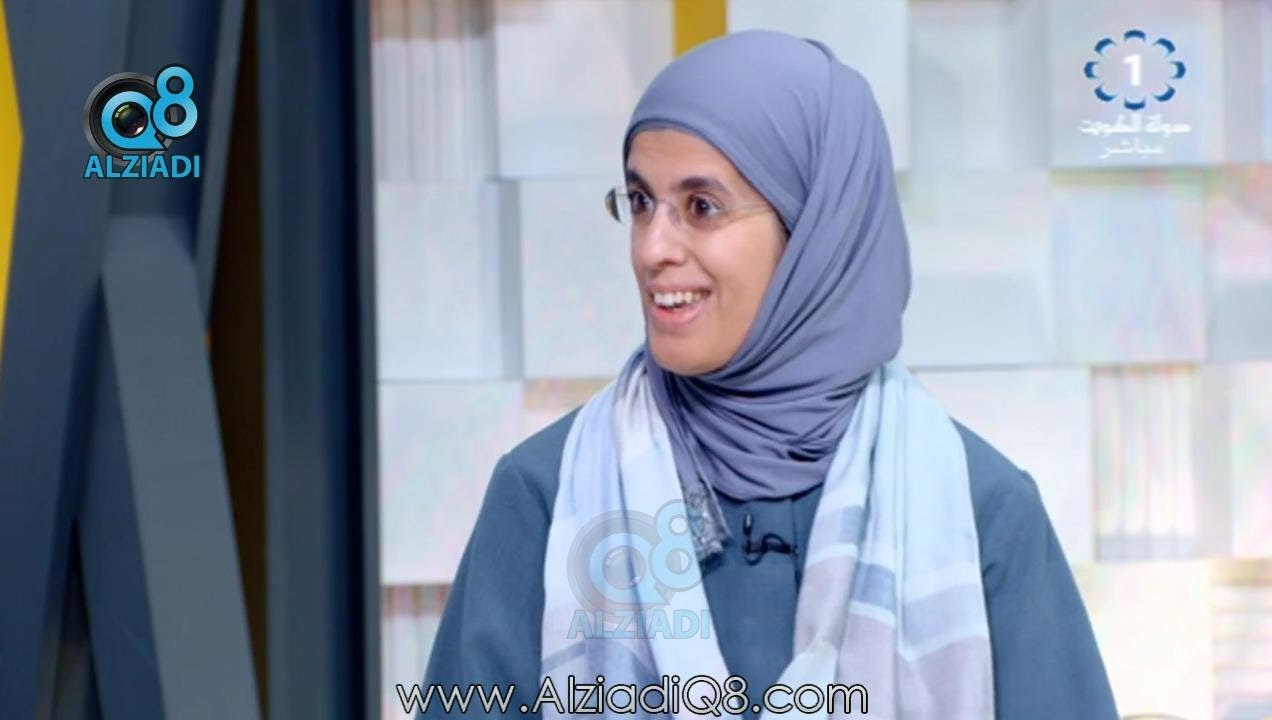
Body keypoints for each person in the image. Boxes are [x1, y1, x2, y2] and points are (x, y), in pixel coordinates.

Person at [423, 30, 1118, 719]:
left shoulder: (980, 511)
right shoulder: (544, 495)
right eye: (639, 202)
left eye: (701, 207)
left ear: (815, 230)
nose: (652, 248)